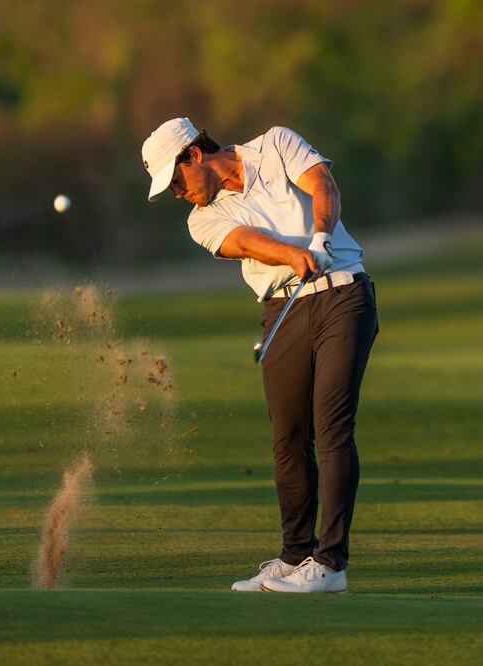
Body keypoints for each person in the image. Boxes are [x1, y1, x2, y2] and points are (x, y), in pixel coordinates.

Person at [141, 118, 379, 593]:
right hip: (282, 310)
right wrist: (294, 256)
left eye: (175, 179)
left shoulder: (275, 143)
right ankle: (295, 558)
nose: (175, 193)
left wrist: (321, 236)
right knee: (288, 438)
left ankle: (330, 565)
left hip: (342, 297)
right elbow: (245, 242)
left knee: (331, 426)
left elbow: (321, 184)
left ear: (193, 155)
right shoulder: (201, 220)